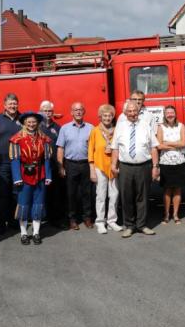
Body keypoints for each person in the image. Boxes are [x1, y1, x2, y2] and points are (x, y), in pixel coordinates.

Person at [111, 101, 160, 238]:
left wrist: (155, 167)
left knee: (143, 197)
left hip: (144, 166)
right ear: (125, 113)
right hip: (125, 167)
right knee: (126, 197)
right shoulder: (119, 127)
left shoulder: (145, 125)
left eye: (135, 111)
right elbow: (115, 148)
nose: (133, 113)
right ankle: (129, 225)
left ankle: (142, 225)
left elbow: (153, 147)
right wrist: (113, 165)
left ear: (138, 112)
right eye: (130, 111)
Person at [10, 111, 53, 245]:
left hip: (39, 174)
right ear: (24, 123)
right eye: (29, 122)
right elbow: (15, 160)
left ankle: (36, 233)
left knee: (38, 204)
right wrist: (17, 177)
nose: (31, 124)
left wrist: (48, 175)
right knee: (23, 204)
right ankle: (23, 233)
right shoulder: (17, 139)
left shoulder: (44, 138)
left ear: (38, 123)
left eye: (34, 121)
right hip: (24, 174)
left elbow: (46, 159)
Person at [56, 102, 94, 230]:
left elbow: (93, 148)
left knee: (87, 193)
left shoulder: (91, 128)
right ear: (71, 112)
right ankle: (72, 219)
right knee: (71, 194)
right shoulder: (64, 128)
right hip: (70, 164)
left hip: (86, 164)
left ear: (84, 112)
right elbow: (60, 148)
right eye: (75, 110)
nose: (78, 112)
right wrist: (61, 166)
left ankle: (87, 217)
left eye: (80, 110)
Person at [0, 93, 22, 234]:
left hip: (18, 162)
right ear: (4, 105)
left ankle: (13, 220)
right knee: (2, 193)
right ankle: (1, 223)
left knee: (16, 192)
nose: (13, 106)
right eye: (10, 104)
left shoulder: (22, 119)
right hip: (2, 163)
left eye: (14, 103)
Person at [88, 104, 123, 234]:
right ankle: (100, 222)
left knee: (114, 194)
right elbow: (90, 150)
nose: (107, 118)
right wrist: (92, 169)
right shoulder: (95, 131)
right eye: (105, 116)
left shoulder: (116, 131)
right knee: (101, 195)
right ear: (100, 117)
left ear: (113, 117)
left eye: (109, 115)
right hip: (99, 166)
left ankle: (112, 221)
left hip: (114, 166)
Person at [157, 105, 185, 224]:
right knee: (167, 189)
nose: (170, 115)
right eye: (167, 113)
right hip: (165, 162)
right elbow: (159, 145)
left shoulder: (181, 126)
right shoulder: (160, 127)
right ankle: (166, 214)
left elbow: (183, 143)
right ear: (164, 115)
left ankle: (175, 214)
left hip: (179, 161)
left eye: (172, 112)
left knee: (177, 189)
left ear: (175, 114)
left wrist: (167, 143)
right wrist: (176, 143)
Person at [39, 100, 66, 228]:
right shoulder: (37, 126)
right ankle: (40, 217)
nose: (48, 113)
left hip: (54, 165)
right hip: (40, 166)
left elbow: (61, 147)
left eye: (50, 111)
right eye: (45, 111)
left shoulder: (58, 128)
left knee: (55, 193)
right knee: (40, 192)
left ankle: (55, 219)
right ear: (41, 111)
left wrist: (61, 165)